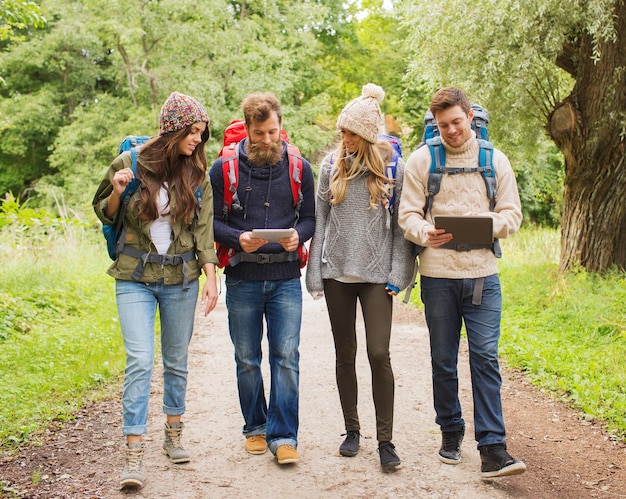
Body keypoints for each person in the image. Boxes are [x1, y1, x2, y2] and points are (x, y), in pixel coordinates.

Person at [398, 86, 526, 478]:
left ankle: (493, 448)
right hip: (438, 276)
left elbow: (512, 216)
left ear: (470, 118)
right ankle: (450, 431)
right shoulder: (421, 160)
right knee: (443, 359)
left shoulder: (494, 160)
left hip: (483, 275)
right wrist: (424, 233)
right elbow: (407, 215)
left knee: (485, 357)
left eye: (457, 122)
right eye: (443, 125)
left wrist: (484, 221)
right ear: (435, 126)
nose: (451, 131)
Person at [93, 92, 219, 489]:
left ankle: (173, 431)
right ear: (173, 129)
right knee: (140, 360)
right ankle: (133, 454)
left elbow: (204, 229)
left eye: (201, 133)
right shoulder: (129, 163)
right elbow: (104, 213)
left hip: (181, 279)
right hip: (134, 277)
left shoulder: (197, 173)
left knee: (176, 359)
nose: (197, 140)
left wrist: (212, 278)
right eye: (193, 132)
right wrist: (117, 189)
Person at [305, 84, 415, 471]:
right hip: (337, 272)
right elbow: (320, 219)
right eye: (342, 132)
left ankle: (386, 440)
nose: (344, 139)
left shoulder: (392, 168)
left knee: (378, 353)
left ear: (367, 135)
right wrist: (314, 270)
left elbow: (402, 228)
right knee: (345, 353)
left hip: (375, 275)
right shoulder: (330, 167)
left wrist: (401, 272)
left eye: (351, 133)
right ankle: (352, 430)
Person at [208, 92, 315, 465]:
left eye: (273, 132)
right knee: (247, 358)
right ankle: (254, 427)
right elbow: (211, 222)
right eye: (259, 134)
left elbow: (310, 219)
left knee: (286, 357)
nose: (267, 140)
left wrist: (297, 236)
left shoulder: (300, 167)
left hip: (286, 276)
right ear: (247, 131)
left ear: (281, 126)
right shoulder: (223, 169)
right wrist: (237, 238)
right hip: (242, 277)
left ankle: (284, 436)